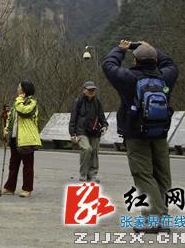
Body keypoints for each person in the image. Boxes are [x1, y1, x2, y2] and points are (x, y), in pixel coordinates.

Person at [102, 40, 178, 233]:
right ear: (155, 60)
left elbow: (108, 65)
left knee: (143, 175)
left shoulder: (128, 78)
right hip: (160, 133)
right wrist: (149, 46)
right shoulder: (165, 76)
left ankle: (153, 220)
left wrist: (121, 49)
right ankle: (162, 216)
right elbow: (170, 63)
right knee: (162, 174)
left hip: (136, 134)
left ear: (135, 61)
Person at [0, 80, 41, 198]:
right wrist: (6, 132)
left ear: (24, 90)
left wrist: (19, 100)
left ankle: (27, 188)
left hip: (27, 139)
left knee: (27, 165)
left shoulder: (32, 102)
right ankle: (9, 187)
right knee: (13, 163)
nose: (17, 88)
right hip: (15, 137)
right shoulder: (17, 103)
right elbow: (10, 119)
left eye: (19, 87)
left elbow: (24, 112)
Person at [69, 81, 108, 182]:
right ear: (84, 90)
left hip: (94, 131)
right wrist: (72, 133)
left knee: (94, 151)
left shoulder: (97, 102)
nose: (91, 91)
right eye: (89, 89)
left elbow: (102, 117)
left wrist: (104, 126)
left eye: (93, 90)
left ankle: (92, 175)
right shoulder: (78, 101)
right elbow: (73, 118)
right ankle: (83, 174)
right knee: (87, 149)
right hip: (81, 130)